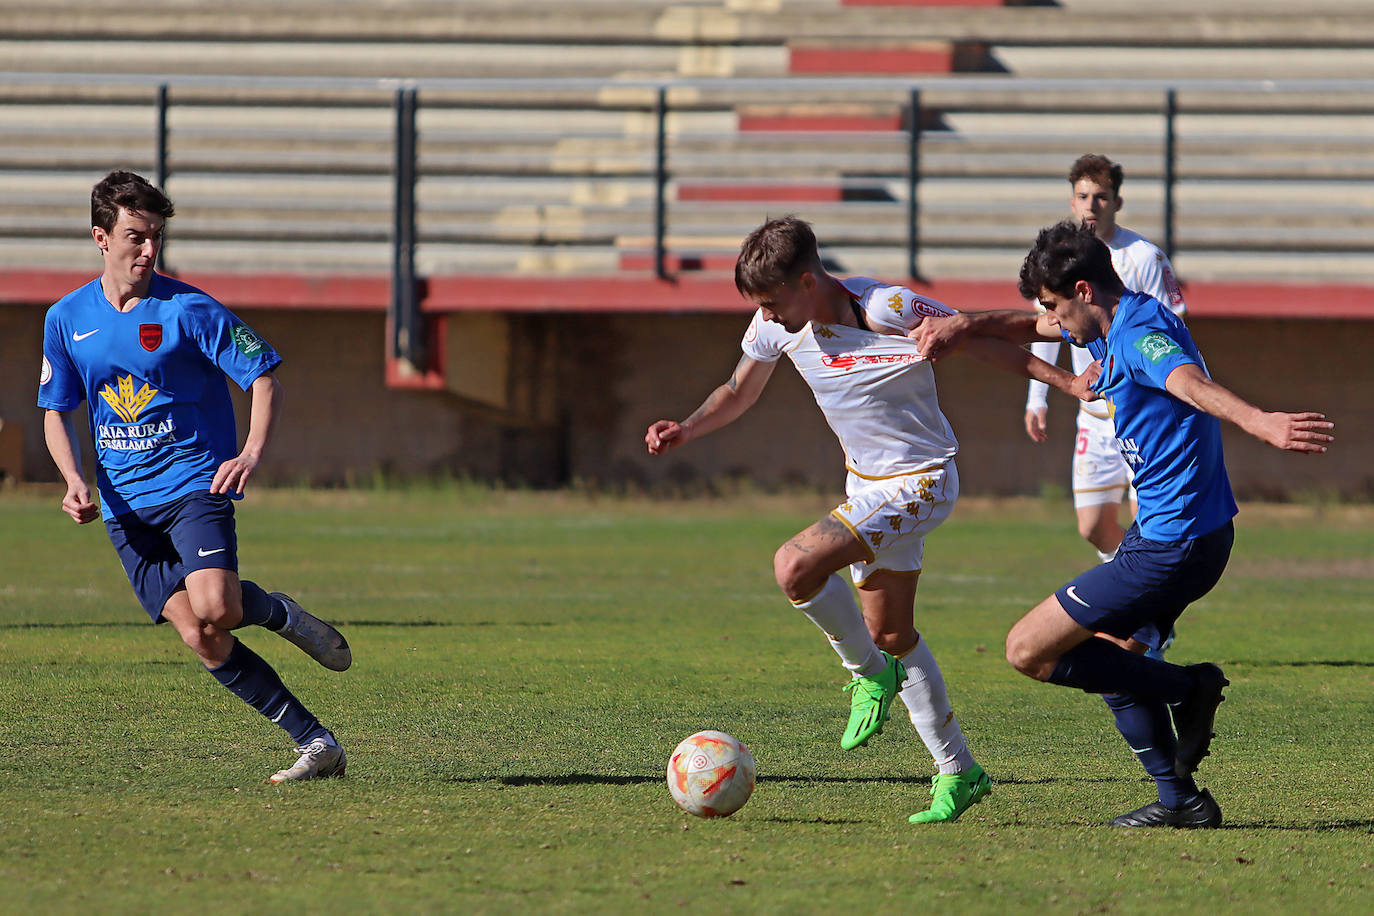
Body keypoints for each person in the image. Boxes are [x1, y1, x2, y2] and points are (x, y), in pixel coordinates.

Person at [644, 216, 1095, 824]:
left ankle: (867, 677)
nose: (769, 317)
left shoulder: (887, 306)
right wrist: (687, 427)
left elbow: (976, 338)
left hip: (924, 478)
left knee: (794, 566)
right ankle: (959, 771)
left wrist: (1065, 382)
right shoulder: (775, 325)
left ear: (808, 282)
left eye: (774, 303)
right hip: (868, 484)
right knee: (890, 634)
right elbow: (737, 389)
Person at [919, 221, 1332, 827]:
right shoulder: (1106, 323)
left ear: (1085, 289)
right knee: (1110, 656)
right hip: (1175, 534)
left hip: (1175, 544)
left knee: (1027, 649)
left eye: (1058, 307)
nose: (1054, 325)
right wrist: (966, 323)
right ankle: (1182, 802)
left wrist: (1259, 421)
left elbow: (1189, 384)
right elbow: (1027, 325)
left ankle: (1189, 689)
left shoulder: (1141, 333)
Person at [38, 170, 352, 783]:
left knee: (218, 607)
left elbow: (264, 378)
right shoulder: (65, 318)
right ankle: (318, 743)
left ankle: (277, 612)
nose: (149, 249)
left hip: (192, 486)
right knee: (201, 637)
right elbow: (56, 411)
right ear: (101, 238)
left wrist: (250, 452)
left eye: (156, 236)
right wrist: (73, 479)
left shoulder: (190, 307)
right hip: (125, 508)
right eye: (135, 236)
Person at [1026, 154, 1188, 564]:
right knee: (1092, 527)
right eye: (1083, 196)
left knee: (1149, 522)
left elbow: (1170, 327)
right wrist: (1037, 398)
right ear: (1071, 201)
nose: (1091, 205)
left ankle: (1145, 606)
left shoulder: (1144, 258)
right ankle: (1132, 584)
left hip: (1141, 413)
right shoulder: (1059, 261)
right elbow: (1047, 324)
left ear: (1117, 202)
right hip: (1095, 419)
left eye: (1101, 196)